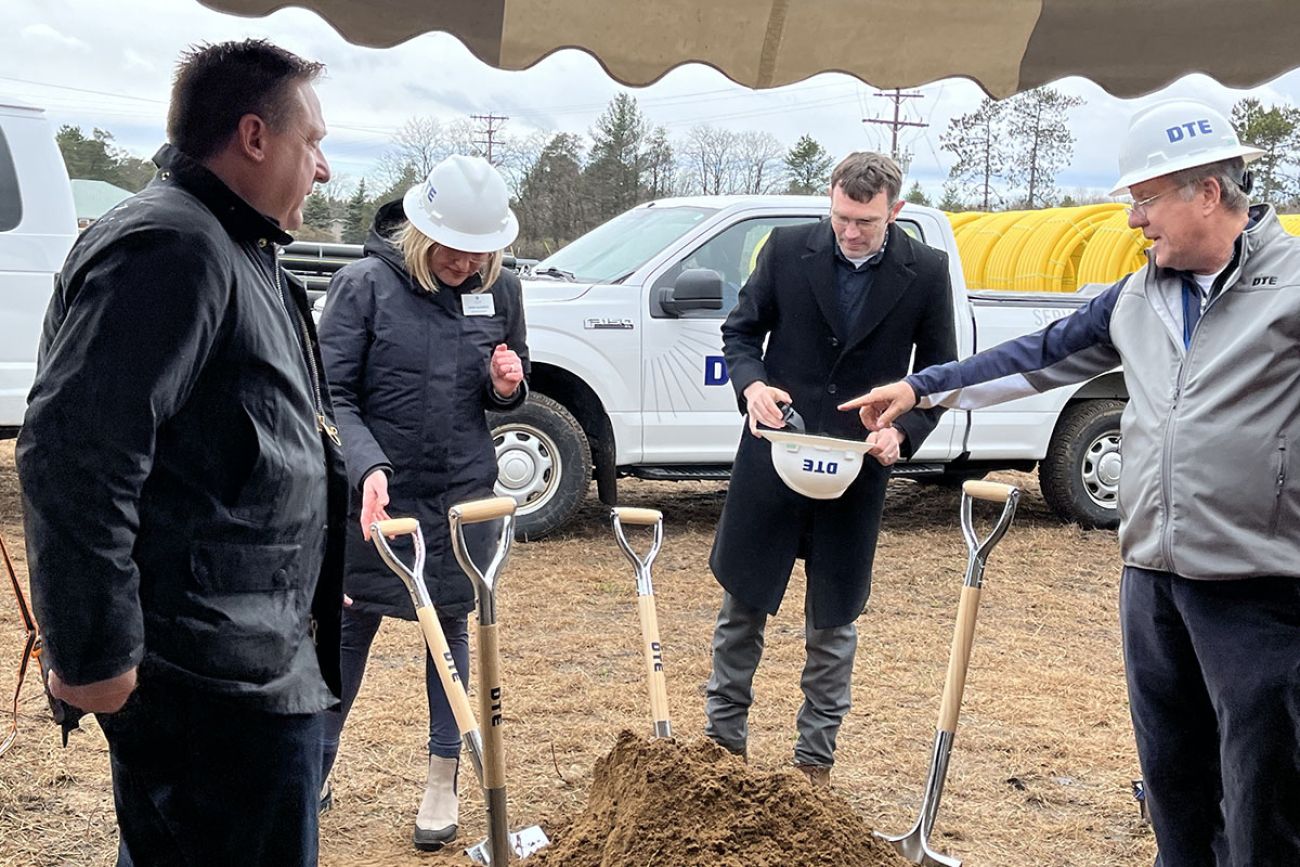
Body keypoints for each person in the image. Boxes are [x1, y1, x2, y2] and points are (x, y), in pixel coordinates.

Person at [840, 99, 1300, 865]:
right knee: (1175, 790)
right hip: (1152, 581)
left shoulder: (1288, 292)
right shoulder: (1138, 296)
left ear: (1208, 193)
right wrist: (923, 389)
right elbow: (1035, 355)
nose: (1133, 221)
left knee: (1264, 800)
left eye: (1146, 200)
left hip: (1258, 588)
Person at [15, 39, 346, 866]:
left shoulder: (244, 251)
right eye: (314, 141)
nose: (325, 168)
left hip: (258, 657)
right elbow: (74, 449)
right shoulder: (172, 247)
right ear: (254, 137)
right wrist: (92, 651)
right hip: (209, 683)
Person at [705, 152, 957, 787]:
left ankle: (813, 767)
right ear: (831, 201)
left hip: (858, 464)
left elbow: (939, 374)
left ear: (894, 212)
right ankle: (719, 751)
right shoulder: (788, 250)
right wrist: (753, 385)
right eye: (842, 217)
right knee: (742, 605)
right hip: (775, 456)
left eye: (866, 222)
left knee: (834, 620)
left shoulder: (925, 271)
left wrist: (904, 431)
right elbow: (740, 334)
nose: (850, 232)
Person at [316, 154, 528, 851]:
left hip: (461, 492)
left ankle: (444, 775)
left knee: (453, 628)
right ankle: (312, 763)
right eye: (454, 250)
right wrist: (368, 466)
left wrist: (506, 385)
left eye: (481, 252)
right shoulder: (364, 286)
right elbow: (331, 395)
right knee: (349, 625)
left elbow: (506, 385)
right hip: (375, 490)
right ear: (420, 230)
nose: (468, 264)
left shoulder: (502, 290)